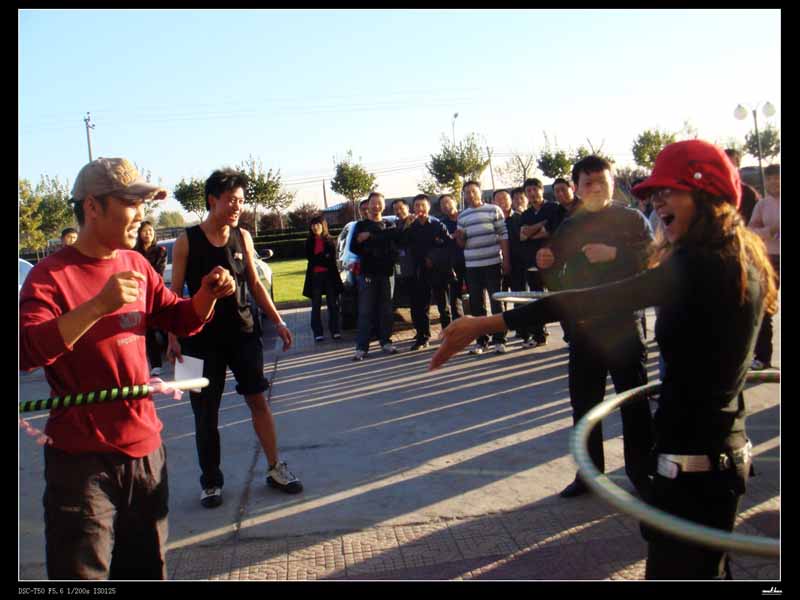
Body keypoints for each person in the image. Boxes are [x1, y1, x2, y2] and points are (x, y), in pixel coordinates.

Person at [432, 139, 777, 580]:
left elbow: (599, 298)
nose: (657, 202)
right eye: (654, 194)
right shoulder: (732, 255)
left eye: (669, 191)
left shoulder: (701, 265)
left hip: (696, 463)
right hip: (714, 453)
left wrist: (486, 323)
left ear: (706, 194)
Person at [20, 157, 236, 579]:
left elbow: (177, 317)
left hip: (145, 450)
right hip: (80, 461)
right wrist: (98, 305)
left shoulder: (136, 265)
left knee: (146, 570)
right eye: (131, 203)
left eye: (143, 204)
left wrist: (207, 296)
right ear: (92, 207)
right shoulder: (49, 277)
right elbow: (27, 351)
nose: (141, 214)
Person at [167, 168, 301, 510]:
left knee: (258, 400)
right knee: (203, 412)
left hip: (243, 333)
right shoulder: (186, 241)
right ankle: (210, 481)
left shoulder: (242, 236)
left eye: (241, 200)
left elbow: (255, 284)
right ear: (212, 200)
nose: (237, 206)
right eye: (231, 200)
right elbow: (174, 294)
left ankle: (275, 468)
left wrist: (278, 321)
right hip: (197, 341)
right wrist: (172, 337)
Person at [536, 156, 654, 499]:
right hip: (584, 330)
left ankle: (641, 472)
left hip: (624, 327)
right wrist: (545, 263)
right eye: (588, 183)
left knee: (634, 403)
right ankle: (589, 474)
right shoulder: (570, 226)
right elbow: (557, 278)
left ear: (613, 183)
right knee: (584, 406)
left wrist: (615, 254)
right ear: (576, 188)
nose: (596, 188)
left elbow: (653, 259)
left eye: (602, 181)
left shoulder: (631, 219)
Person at [455, 180, 511, 354]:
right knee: (476, 305)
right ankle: (481, 341)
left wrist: (506, 260)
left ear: (480, 192)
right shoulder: (462, 216)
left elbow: (503, 235)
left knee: (496, 302)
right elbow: (461, 244)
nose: (470, 195)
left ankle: (500, 340)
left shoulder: (493, 210)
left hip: (493, 262)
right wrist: (460, 237)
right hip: (472, 266)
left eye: (473, 191)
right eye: (467, 192)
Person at [350, 192, 400, 360]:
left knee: (386, 310)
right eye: (373, 203)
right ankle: (361, 347)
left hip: (387, 273)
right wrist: (366, 242)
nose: (376, 206)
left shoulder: (389, 224)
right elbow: (354, 247)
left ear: (384, 206)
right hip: (367, 273)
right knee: (366, 311)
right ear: (368, 205)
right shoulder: (360, 225)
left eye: (379, 203)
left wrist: (370, 237)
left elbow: (392, 238)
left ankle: (386, 342)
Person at [518, 178, 560, 347]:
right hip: (532, 263)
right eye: (528, 191)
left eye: (535, 189)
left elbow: (551, 232)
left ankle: (571, 337)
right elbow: (523, 236)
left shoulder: (554, 208)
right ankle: (539, 336)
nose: (532, 193)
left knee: (560, 300)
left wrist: (532, 231)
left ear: (542, 190)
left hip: (553, 262)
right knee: (536, 301)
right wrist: (541, 225)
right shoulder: (525, 214)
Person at [748, 163, 780, 370]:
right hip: (771, 259)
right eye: (769, 179)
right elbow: (750, 230)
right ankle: (762, 357)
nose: (774, 182)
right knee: (764, 308)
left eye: (777, 178)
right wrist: (770, 230)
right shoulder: (762, 205)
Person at [134, 220, 168, 375]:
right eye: (145, 231)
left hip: (157, 293)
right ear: (139, 234)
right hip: (141, 295)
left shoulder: (160, 251)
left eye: (150, 230)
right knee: (148, 330)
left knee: (165, 326)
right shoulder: (135, 253)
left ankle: (173, 354)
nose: (148, 233)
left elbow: (158, 272)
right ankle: (156, 364)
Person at [303, 215, 343, 342]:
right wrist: (323, 257)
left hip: (329, 277)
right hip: (315, 278)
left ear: (323, 226)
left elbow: (330, 260)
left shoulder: (330, 241)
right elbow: (311, 259)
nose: (315, 227)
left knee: (332, 304)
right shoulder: (309, 242)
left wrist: (319, 258)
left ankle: (335, 330)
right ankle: (318, 332)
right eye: (313, 225)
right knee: (316, 305)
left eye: (318, 224)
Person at [438, 193, 465, 322]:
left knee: (477, 295)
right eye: (442, 204)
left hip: (472, 260)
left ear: (455, 202)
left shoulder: (465, 216)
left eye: (447, 202)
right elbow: (440, 242)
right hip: (453, 263)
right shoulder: (441, 224)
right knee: (455, 296)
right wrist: (452, 236)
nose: (445, 206)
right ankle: (458, 323)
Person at [725, 148, 761, 224]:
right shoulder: (712, 194)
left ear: (738, 168)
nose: (728, 170)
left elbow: (758, 223)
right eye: (724, 166)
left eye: (731, 167)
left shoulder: (749, 194)